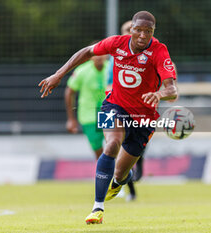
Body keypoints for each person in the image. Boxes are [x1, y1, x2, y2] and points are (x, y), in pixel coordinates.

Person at [38, 11, 177, 224]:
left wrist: (158, 94)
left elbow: (172, 90)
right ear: (131, 30)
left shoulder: (159, 51)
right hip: (114, 105)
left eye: (147, 31)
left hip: (144, 116)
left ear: (153, 32)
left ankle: (123, 179)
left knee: (120, 175)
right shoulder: (116, 43)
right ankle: (97, 208)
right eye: (138, 30)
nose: (142, 35)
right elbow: (87, 51)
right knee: (111, 144)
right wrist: (59, 74)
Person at [106, 20, 140, 202]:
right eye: (127, 30)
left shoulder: (151, 53)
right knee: (114, 146)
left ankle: (127, 177)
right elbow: (108, 84)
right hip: (118, 108)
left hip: (142, 111)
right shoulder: (114, 57)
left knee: (133, 150)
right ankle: (125, 188)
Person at [64, 51, 108, 159]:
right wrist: (71, 119)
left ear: (106, 55)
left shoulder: (112, 69)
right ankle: (105, 173)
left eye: (102, 54)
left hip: (108, 113)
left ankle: (118, 172)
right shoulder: (81, 71)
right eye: (96, 55)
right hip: (89, 115)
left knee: (114, 144)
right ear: (90, 57)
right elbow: (69, 92)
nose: (99, 57)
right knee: (98, 149)